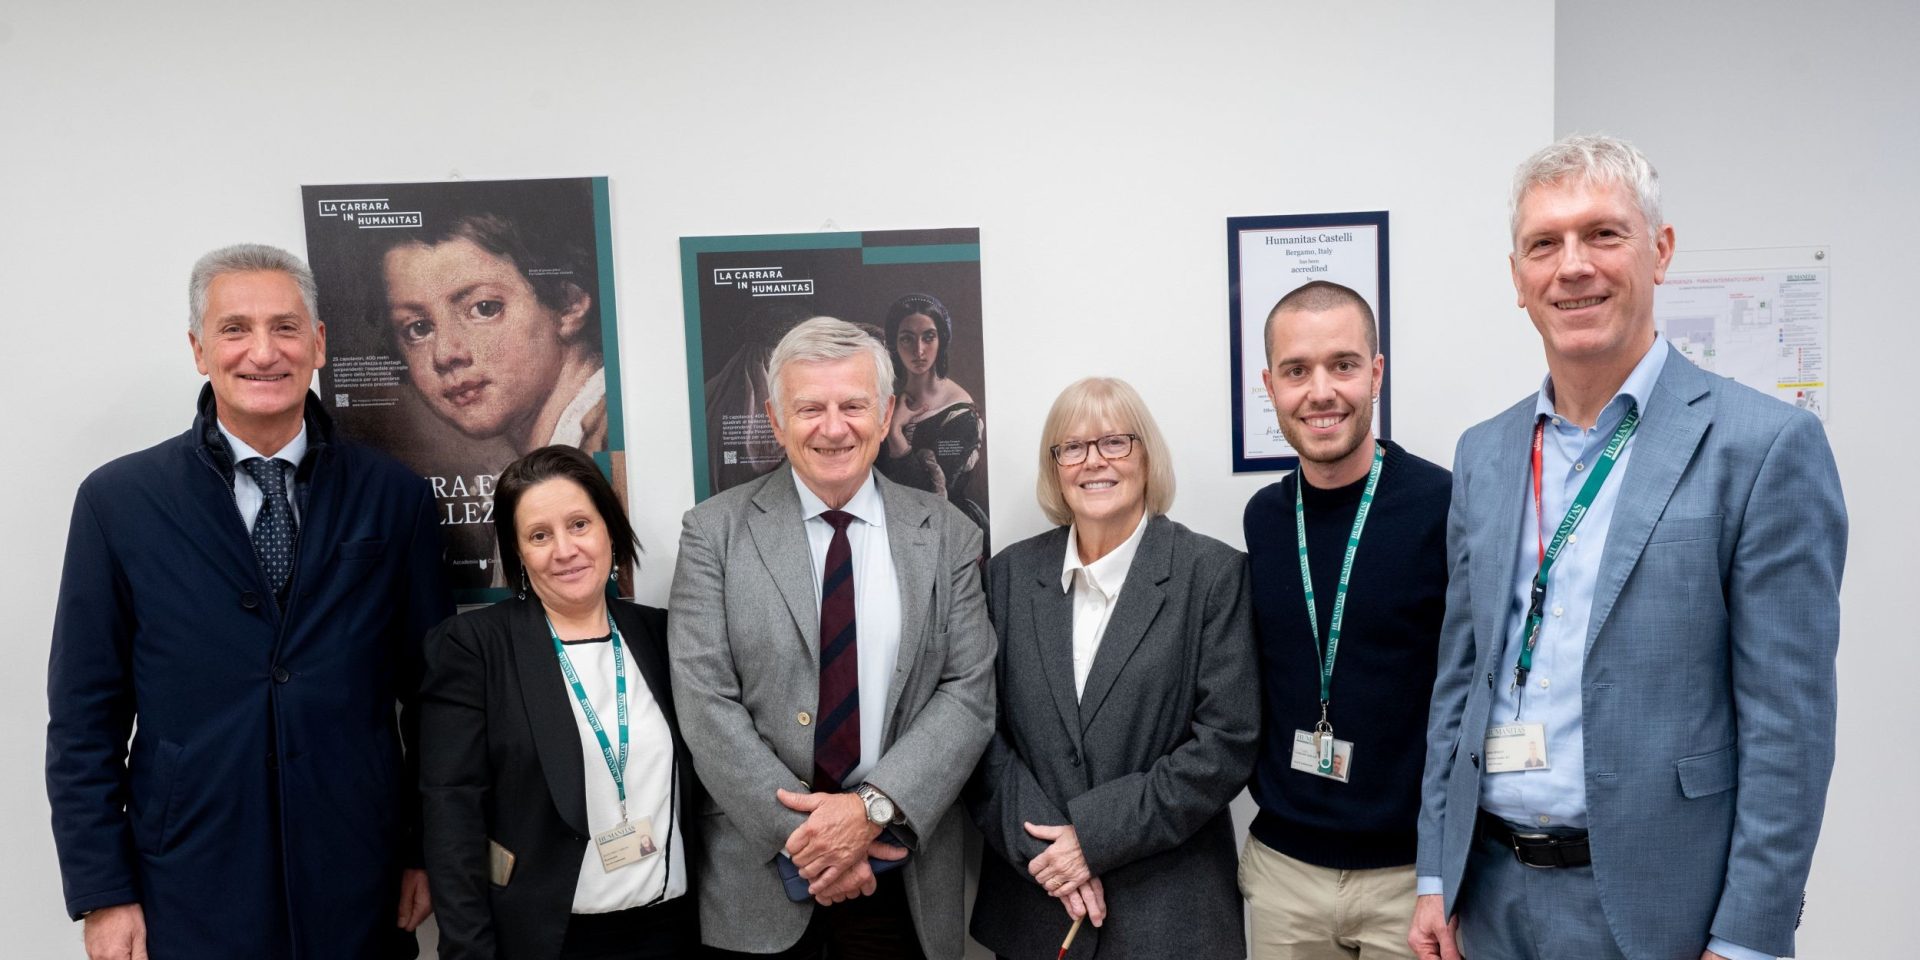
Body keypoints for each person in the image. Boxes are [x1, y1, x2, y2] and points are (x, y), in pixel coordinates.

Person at [1409, 135, 1848, 960]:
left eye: (1604, 234)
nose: (1573, 266)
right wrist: (1437, 871)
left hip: (1662, 911)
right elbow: (1460, 682)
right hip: (1490, 898)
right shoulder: (1485, 453)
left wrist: (1748, 937)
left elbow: (1788, 729)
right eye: (1545, 244)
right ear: (1518, 278)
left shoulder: (1763, 447)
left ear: (1661, 251)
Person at [46, 243, 452, 958]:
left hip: (358, 876)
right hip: (188, 881)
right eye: (235, 329)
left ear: (318, 344)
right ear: (199, 350)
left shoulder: (394, 498)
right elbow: (84, 719)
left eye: (285, 327)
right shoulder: (118, 503)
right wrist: (103, 890)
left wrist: (424, 848)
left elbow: (434, 700)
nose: (263, 352)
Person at [669, 317, 996, 959]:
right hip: (759, 880)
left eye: (853, 405)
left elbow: (968, 692)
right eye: (810, 408)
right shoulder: (713, 533)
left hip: (900, 871)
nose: (833, 427)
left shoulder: (949, 534)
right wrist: (813, 841)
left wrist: (868, 812)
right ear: (775, 418)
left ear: (887, 412)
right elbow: (705, 702)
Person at [968, 376, 1259, 960]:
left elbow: (1226, 744)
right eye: (1072, 447)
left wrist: (1093, 840)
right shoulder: (1007, 576)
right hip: (1037, 908)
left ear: (1147, 457)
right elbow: (978, 732)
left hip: (1169, 917)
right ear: (1054, 468)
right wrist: (1050, 854)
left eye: (1115, 442)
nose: (1093, 461)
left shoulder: (1212, 575)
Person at [1240, 281, 1451, 959]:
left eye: (1343, 365)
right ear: (1270, 387)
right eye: (1297, 371)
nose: (1321, 391)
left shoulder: (1443, 504)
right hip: (1284, 874)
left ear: (1377, 373)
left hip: (1410, 880)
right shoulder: (1265, 518)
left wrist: (1446, 872)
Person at [420, 445, 697, 959]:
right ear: (518, 552)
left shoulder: (662, 635)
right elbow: (451, 815)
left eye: (579, 524)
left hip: (672, 928)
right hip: (550, 941)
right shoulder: (474, 648)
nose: (565, 550)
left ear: (609, 528)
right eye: (539, 536)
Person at [380, 211, 607, 455]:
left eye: (484, 308)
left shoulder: (607, 436)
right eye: (419, 328)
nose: (444, 354)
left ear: (568, 304)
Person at [877, 293, 987, 534]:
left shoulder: (961, 413)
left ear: (941, 340)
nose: (919, 350)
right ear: (895, 343)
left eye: (928, 337)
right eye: (907, 339)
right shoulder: (883, 397)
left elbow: (931, 501)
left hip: (946, 532)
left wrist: (895, 433)